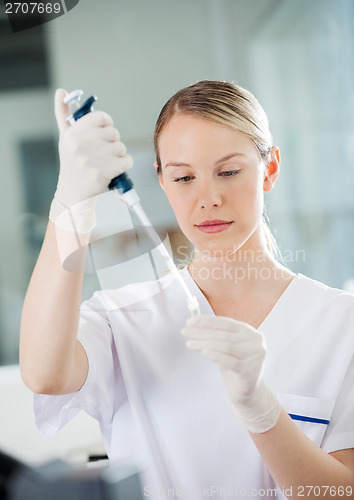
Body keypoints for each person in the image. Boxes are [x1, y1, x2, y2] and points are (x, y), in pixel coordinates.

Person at [20, 81, 354, 499]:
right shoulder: (124, 317)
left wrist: (263, 412)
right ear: (160, 179)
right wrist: (70, 203)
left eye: (229, 172)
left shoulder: (342, 323)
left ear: (269, 169)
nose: (208, 198)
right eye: (184, 177)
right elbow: (44, 374)